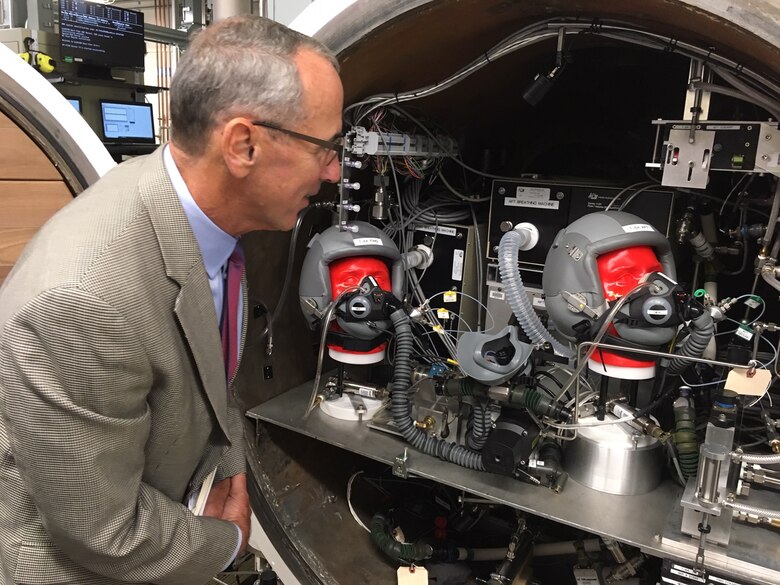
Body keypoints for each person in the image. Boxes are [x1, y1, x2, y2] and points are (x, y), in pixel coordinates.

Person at [0, 15, 343, 585]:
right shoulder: (83, 303)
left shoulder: (203, 218)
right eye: (324, 147)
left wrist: (228, 463)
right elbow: (100, 531)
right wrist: (225, 541)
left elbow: (209, 367)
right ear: (243, 144)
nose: (333, 172)